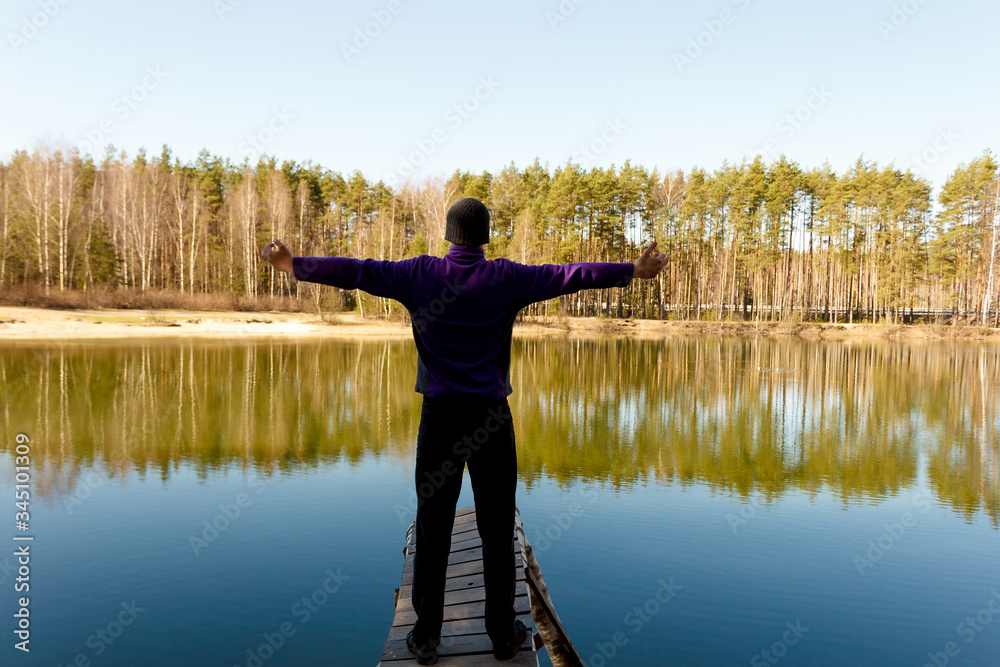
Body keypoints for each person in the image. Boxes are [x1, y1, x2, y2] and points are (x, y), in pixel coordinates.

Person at [261, 197, 667, 664]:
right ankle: (501, 635)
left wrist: (295, 265)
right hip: (491, 420)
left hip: (440, 419)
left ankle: (428, 637)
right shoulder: (506, 278)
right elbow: (566, 275)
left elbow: (358, 271)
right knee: (497, 528)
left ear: (448, 235)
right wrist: (631, 271)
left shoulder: (419, 274)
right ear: (485, 236)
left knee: (433, 529)